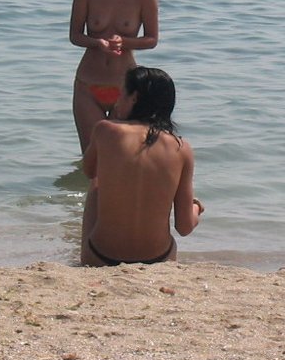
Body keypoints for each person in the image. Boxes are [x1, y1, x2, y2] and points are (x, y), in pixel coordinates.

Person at [81, 66, 203, 266]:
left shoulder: (105, 130)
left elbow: (89, 171)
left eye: (121, 94)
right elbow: (184, 227)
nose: (116, 101)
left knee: (96, 183)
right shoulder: (182, 148)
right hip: (158, 259)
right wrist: (196, 207)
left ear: (134, 98)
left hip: (100, 257)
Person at [70, 0, 159, 153]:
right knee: (92, 157)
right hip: (88, 84)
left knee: (121, 156)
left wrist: (125, 42)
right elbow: (75, 35)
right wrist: (97, 43)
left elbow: (152, 39)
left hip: (125, 88)